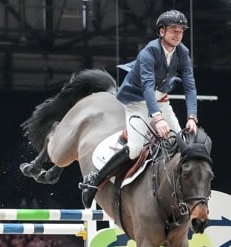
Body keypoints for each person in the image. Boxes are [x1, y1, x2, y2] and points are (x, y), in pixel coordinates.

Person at [79, 9, 199, 208]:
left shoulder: (182, 53)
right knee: (135, 149)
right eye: (173, 30)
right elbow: (147, 87)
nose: (178, 34)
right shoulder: (149, 52)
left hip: (160, 100)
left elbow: (190, 86)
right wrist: (158, 119)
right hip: (137, 101)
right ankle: (93, 181)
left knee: (182, 144)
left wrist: (192, 117)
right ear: (161, 32)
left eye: (181, 31)